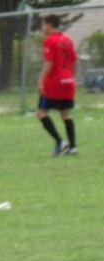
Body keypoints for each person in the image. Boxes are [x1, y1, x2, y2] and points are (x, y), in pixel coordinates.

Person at [36, 14, 78, 156]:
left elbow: (49, 62)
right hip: (68, 81)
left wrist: (41, 80)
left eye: (43, 25)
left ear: (50, 25)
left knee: (41, 112)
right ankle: (73, 147)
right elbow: (74, 61)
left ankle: (60, 142)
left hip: (55, 82)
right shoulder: (68, 40)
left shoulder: (50, 40)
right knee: (65, 113)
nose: (42, 28)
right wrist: (71, 77)